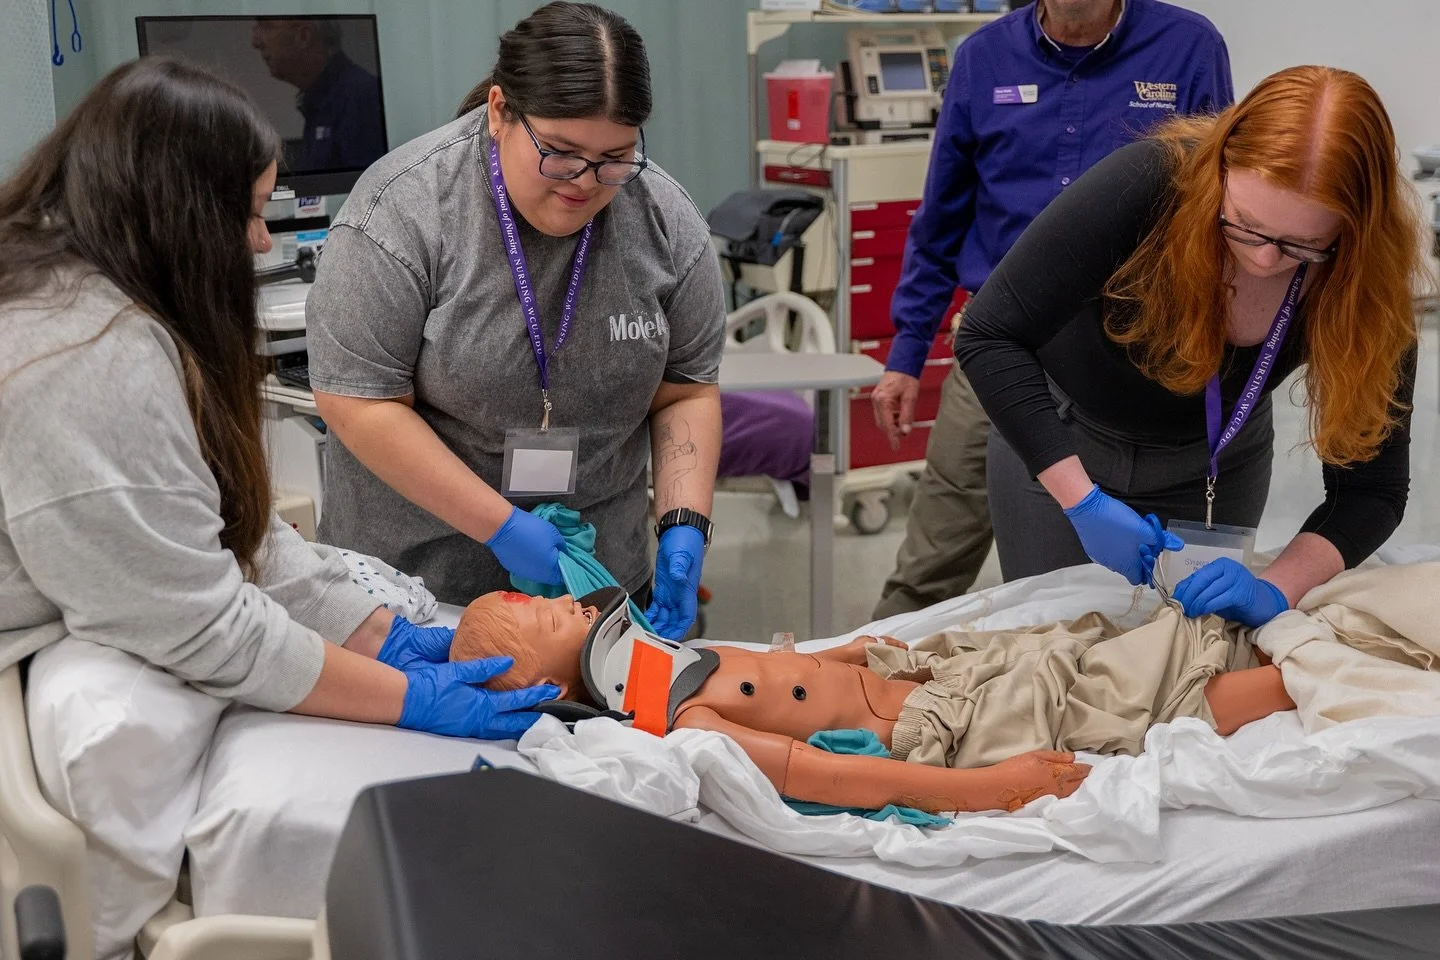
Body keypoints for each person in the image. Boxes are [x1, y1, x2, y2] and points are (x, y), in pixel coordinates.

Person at [0, 58, 556, 743]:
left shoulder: (95, 304)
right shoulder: (80, 356)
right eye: (253, 213)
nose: (262, 242)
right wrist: (404, 697)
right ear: (180, 213)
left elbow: (222, 519)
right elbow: (198, 623)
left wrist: (371, 631)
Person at [306, 2, 724, 641]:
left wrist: (684, 527)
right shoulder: (402, 216)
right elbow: (358, 404)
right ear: (500, 111)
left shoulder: (664, 221)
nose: (585, 182)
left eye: (615, 157)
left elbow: (686, 391)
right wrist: (500, 526)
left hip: (598, 594)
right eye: (560, 154)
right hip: (417, 597)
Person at [954, 65, 1422, 629]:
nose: (1265, 260)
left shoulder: (1369, 283)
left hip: (1218, 461)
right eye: (1244, 225)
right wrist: (1081, 499)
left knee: (1196, 647)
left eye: (1303, 246)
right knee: (1054, 642)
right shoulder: (1150, 184)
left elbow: (1372, 489)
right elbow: (989, 333)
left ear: (1354, 228)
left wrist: (1277, 588)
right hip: (1066, 440)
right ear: (1221, 165)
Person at [871, 0, 1232, 620]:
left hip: (1130, 349)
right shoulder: (983, 57)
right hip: (997, 341)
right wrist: (906, 354)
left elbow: (1221, 203)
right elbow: (941, 219)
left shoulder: (1188, 46)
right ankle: (866, 670)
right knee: (931, 558)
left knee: (1143, 575)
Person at [446, 589, 1303, 815]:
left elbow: (792, 668)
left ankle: (1291, 647)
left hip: (932, 676)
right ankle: (1314, 679)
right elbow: (828, 777)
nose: (562, 601)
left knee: (1088, 649)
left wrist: (859, 650)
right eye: (540, 617)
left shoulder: (677, 664)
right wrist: (986, 787)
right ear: (558, 687)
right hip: (953, 729)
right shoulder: (687, 724)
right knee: (1126, 706)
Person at [250, 18, 386, 172]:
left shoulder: (360, 98)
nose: (255, 42)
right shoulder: (324, 99)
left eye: (267, 26)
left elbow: (369, 182)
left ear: (304, 36)